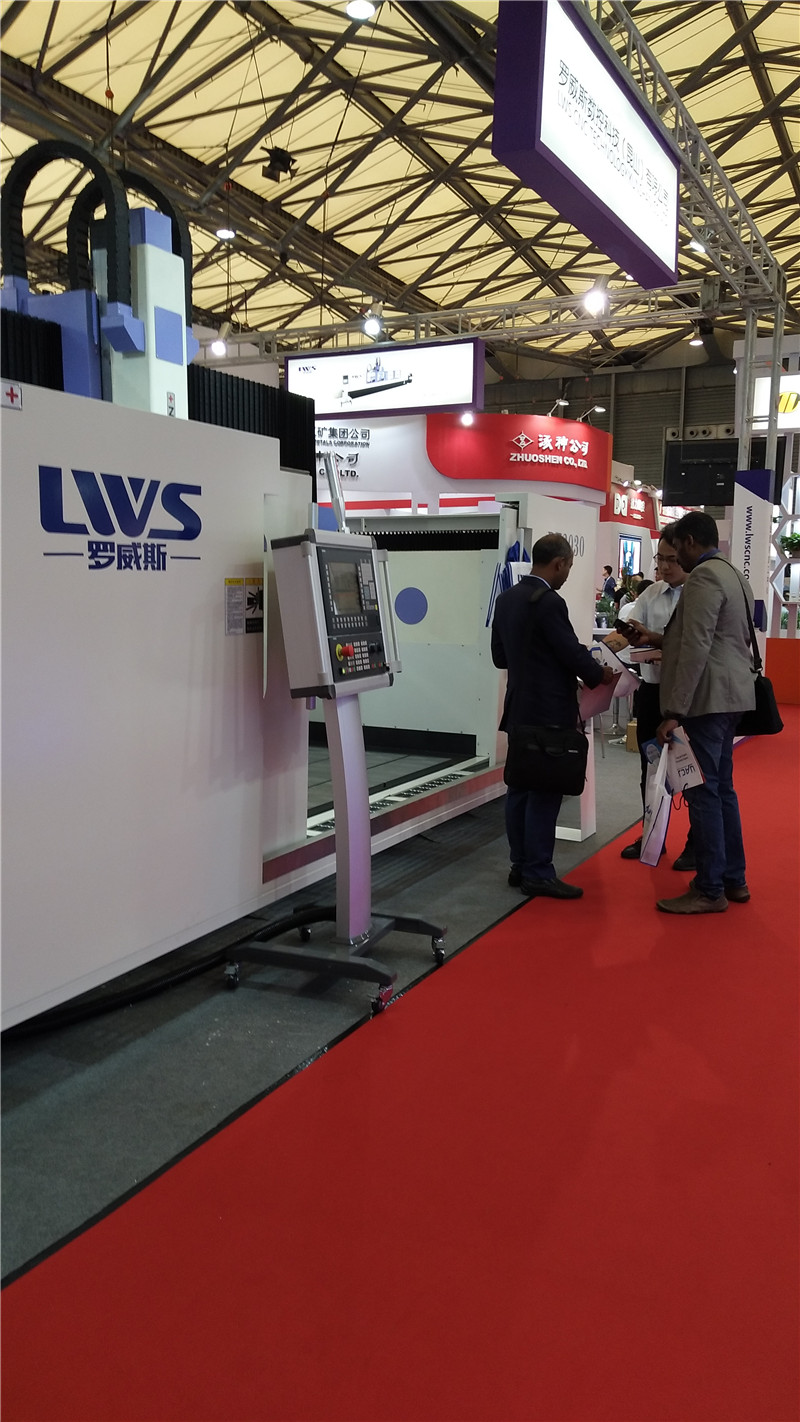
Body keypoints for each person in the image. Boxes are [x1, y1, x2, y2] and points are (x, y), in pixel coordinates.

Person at [491, 532, 614, 899]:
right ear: (559, 563)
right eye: (569, 567)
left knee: (520, 788)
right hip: (548, 713)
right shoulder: (549, 602)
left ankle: (520, 865)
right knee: (545, 791)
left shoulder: (507, 599)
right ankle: (538, 872)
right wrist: (600, 674)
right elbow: (570, 653)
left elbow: (500, 657)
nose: (567, 574)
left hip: (519, 708)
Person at [653, 511, 755, 914]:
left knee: (704, 792)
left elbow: (696, 646)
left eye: (677, 548)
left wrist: (674, 710)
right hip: (730, 698)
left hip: (707, 701)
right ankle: (733, 879)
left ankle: (709, 888)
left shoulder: (704, 577)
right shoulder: (733, 573)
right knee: (722, 789)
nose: (674, 557)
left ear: (691, 541)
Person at [605, 525, 695, 870]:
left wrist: (659, 644)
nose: (666, 567)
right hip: (652, 691)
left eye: (673, 560)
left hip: (688, 695)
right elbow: (627, 635)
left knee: (691, 772)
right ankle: (651, 834)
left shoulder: (698, 593)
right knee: (650, 766)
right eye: (661, 560)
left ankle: (696, 843)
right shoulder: (651, 594)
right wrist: (605, 651)